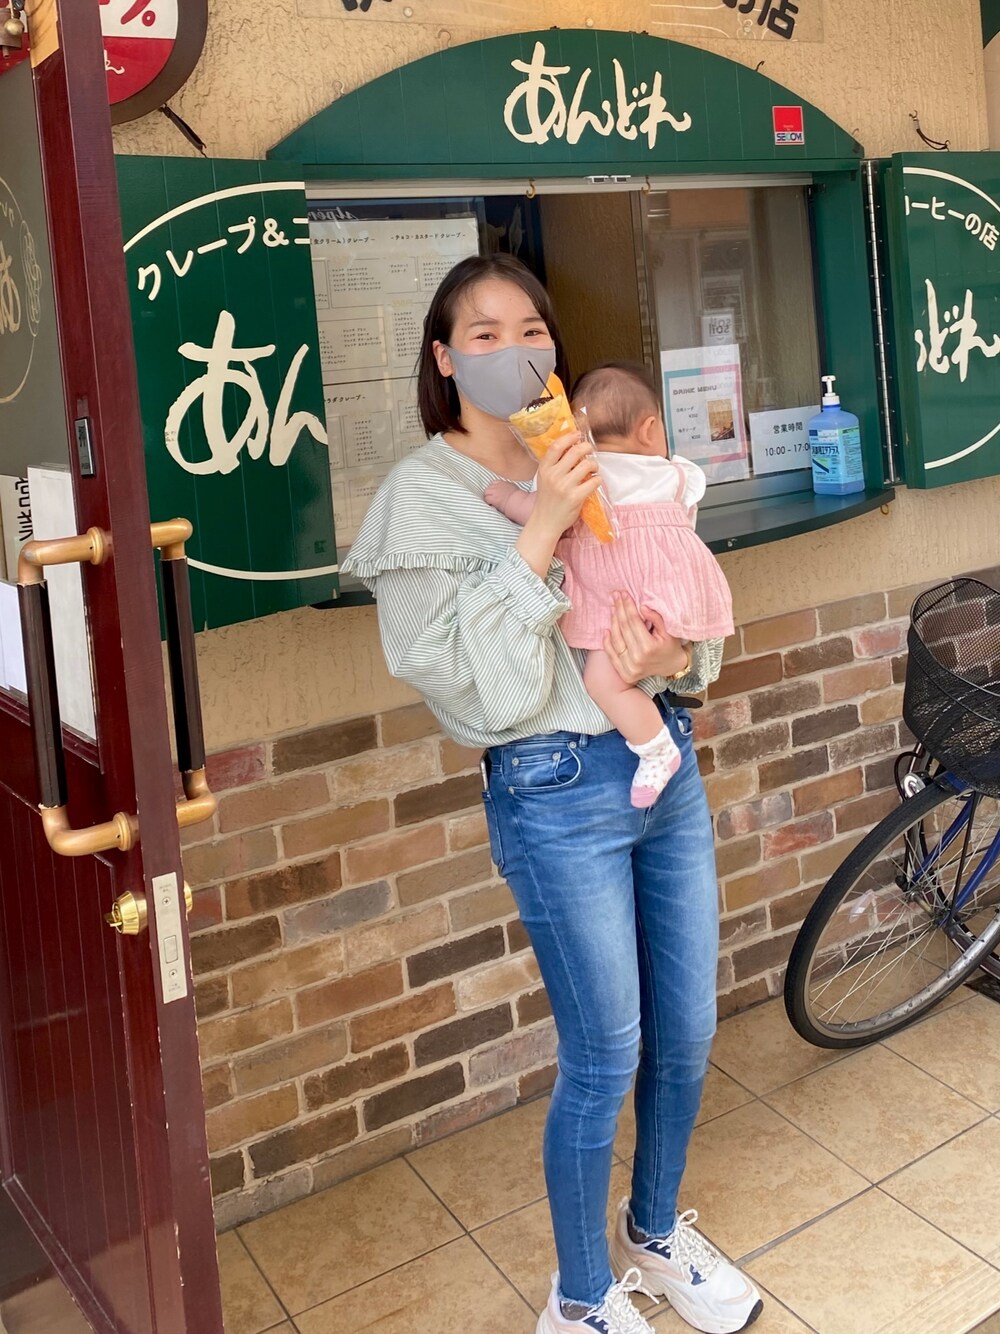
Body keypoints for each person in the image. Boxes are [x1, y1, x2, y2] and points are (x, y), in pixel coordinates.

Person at [342, 254, 762, 1334]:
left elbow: (676, 583)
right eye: (483, 333)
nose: (514, 349)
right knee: (606, 1052)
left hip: (660, 759)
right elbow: (468, 685)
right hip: (552, 785)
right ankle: (579, 1297)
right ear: (443, 359)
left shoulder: (592, 448)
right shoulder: (421, 496)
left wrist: (671, 657)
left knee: (686, 1029)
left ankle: (654, 1231)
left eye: (531, 328)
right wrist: (543, 523)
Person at [484, 363, 734, 809]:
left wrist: (506, 497)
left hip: (616, 599)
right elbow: (684, 526)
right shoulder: (676, 474)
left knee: (603, 681)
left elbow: (538, 511)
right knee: (633, 668)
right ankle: (657, 744)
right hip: (669, 593)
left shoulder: (583, 473)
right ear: (650, 428)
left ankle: (655, 748)